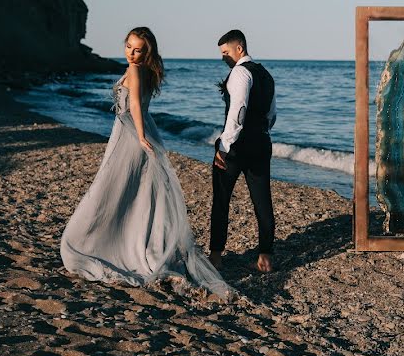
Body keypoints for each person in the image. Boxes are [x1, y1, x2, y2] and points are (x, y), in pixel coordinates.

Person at [61, 27, 231, 298]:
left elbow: (136, 107)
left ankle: (113, 243)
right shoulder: (143, 70)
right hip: (134, 131)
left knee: (116, 187)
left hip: (132, 132)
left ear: (146, 51)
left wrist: (139, 135)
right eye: (128, 46)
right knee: (135, 189)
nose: (131, 52)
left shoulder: (136, 70)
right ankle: (134, 240)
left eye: (137, 49)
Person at [210, 29, 277, 273]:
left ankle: (216, 257)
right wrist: (260, 133)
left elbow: (237, 112)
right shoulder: (266, 74)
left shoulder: (239, 72)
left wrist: (224, 145)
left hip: (237, 146)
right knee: (262, 201)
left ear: (239, 49)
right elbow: (272, 114)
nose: (223, 58)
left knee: (221, 200)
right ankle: (265, 259)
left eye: (226, 52)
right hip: (262, 143)